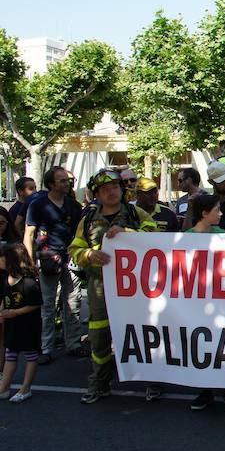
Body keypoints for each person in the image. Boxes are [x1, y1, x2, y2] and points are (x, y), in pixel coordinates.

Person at [68, 168, 156, 404]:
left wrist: (129, 232)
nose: (111, 192)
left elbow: (155, 234)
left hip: (135, 288)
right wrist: (88, 254)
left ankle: (152, 383)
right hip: (100, 289)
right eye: (105, 189)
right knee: (99, 338)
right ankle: (99, 384)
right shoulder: (88, 218)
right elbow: (74, 249)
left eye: (115, 187)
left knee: (142, 334)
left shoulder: (134, 213)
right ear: (96, 193)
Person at [181, 195, 225, 411]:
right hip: (198, 302)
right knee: (202, 345)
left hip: (221, 300)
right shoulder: (186, 238)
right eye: (217, 210)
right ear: (204, 213)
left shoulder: (222, 235)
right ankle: (205, 391)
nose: (221, 213)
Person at [24, 166, 86, 365]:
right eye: (62, 180)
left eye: (67, 180)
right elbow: (29, 234)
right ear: (51, 184)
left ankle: (73, 343)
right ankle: (46, 347)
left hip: (71, 258)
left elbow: (80, 233)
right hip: (48, 259)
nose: (67, 183)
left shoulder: (73, 206)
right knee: (48, 305)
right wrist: (30, 260)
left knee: (73, 302)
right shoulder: (38, 204)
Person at [0, 243, 42, 403]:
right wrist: (2, 311)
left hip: (28, 325)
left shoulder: (29, 282)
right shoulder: (6, 278)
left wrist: (14, 312)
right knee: (10, 353)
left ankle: (26, 388)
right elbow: (5, 298)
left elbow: (36, 304)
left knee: (31, 355)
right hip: (12, 324)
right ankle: (4, 387)